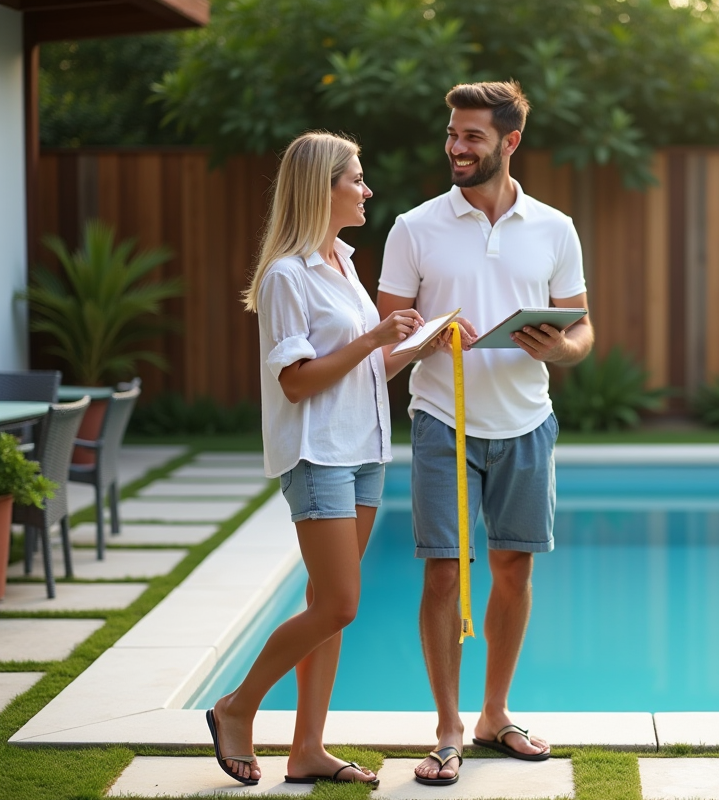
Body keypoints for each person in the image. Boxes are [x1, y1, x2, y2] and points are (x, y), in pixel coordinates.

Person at [378, 81, 594, 786]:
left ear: (510, 141)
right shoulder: (414, 227)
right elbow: (384, 342)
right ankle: (448, 729)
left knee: (514, 569)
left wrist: (560, 349)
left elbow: (581, 328)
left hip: (528, 421)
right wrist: (427, 338)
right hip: (444, 421)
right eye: (452, 134)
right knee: (444, 571)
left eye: (471, 136)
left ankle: (494, 715)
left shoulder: (555, 228)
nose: (456, 147)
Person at [206, 131, 423, 788]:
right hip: (318, 455)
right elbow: (297, 381)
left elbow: (363, 368)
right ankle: (236, 707)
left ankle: (307, 750)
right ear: (321, 188)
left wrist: (418, 348)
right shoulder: (286, 276)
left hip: (364, 452)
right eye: (355, 179)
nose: (367, 190)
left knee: (325, 601)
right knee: (339, 605)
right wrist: (374, 337)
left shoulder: (343, 264)